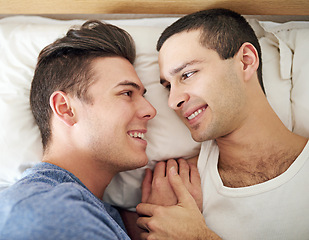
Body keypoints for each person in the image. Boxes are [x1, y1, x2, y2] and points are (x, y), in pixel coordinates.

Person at [136, 8, 309, 239]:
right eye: (168, 86)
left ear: (246, 61)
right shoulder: (175, 187)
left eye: (187, 75)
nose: (173, 101)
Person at [0, 20, 158, 239]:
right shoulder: (51, 213)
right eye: (126, 93)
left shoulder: (81, 210)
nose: (150, 110)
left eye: (143, 95)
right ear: (66, 108)